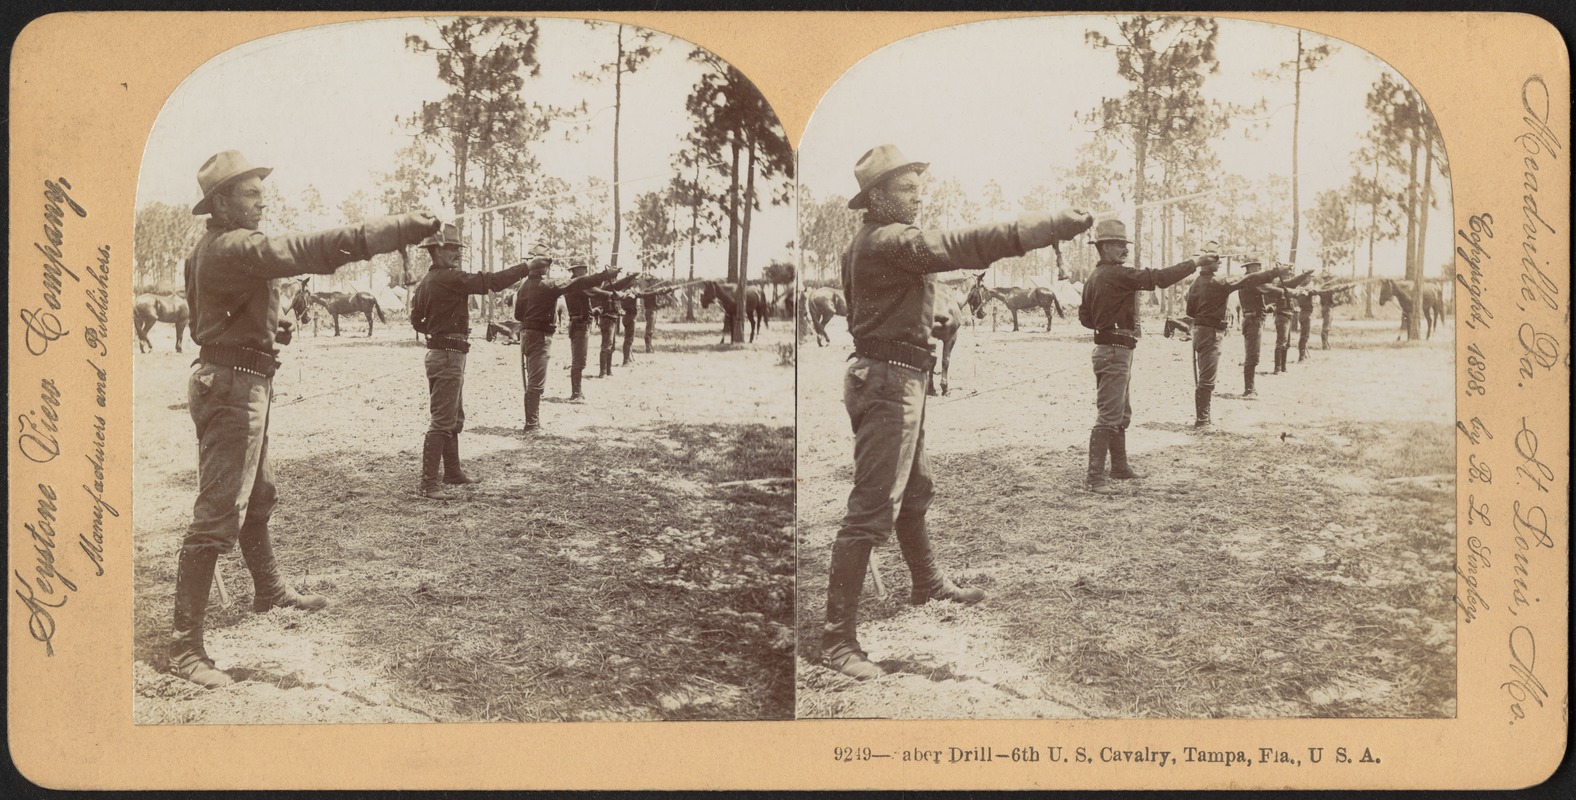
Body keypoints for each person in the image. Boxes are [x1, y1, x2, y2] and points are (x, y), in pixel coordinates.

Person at [821, 144, 1092, 680]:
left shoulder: (879, 245)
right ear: (876, 197)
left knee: (915, 490)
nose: (917, 192)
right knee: (871, 511)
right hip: (888, 383)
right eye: (905, 186)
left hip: (898, 377)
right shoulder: (888, 240)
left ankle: (927, 583)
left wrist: (930, 323)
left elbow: (885, 306)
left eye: (919, 184)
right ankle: (837, 641)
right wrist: (1046, 227)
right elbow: (963, 244)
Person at [173, 149, 440, 688]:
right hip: (232, 389)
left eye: (259, 190)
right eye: (249, 191)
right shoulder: (231, 245)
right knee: (217, 514)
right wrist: (393, 231)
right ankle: (184, 649)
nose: (261, 198)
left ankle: (268, 589)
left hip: (241, 380)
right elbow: (304, 248)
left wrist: (269, 334)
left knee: (260, 493)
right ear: (220, 203)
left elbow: (222, 318)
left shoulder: (218, 249)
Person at [1078, 219, 1215, 494]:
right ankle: (1094, 479)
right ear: (1103, 248)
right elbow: (1159, 279)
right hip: (1115, 351)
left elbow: (1085, 318)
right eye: (1118, 245)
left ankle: (1118, 467)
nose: (1124, 249)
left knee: (1120, 412)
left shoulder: (1095, 277)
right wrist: (1196, 262)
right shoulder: (1115, 274)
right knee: (1109, 415)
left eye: (1125, 245)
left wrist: (1107, 321)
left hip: (1113, 350)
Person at [408, 223, 541, 500]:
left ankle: (453, 472)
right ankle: (428, 484)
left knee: (453, 417)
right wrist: (525, 267)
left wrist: (437, 330)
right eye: (452, 248)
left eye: (459, 248)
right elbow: (489, 282)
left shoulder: (427, 283)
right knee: (443, 420)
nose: (457, 253)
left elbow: (416, 321)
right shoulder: (449, 278)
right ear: (436, 251)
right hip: (447, 355)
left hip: (444, 353)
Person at [1184, 254, 1286, 427]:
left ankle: (1203, 418)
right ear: (1208, 264)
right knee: (1208, 378)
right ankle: (1202, 421)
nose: (1220, 262)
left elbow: (1190, 311)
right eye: (1216, 260)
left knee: (1204, 375)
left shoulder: (1195, 284)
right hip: (1212, 333)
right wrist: (1275, 271)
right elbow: (1250, 279)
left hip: (1200, 332)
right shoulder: (1218, 282)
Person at [514, 251, 610, 431]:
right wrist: (605, 275)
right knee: (536, 382)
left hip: (526, 334)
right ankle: (532, 424)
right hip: (540, 336)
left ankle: (532, 422)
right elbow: (580, 283)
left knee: (532, 378)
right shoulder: (548, 285)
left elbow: (518, 315)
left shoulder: (523, 286)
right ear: (544, 268)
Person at [561, 260, 605, 401]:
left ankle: (577, 392)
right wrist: (613, 293)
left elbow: (581, 304)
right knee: (579, 361)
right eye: (584, 269)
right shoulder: (578, 285)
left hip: (578, 323)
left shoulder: (575, 285)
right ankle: (576, 394)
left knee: (579, 360)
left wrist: (593, 311)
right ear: (576, 271)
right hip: (579, 325)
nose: (586, 271)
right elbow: (599, 293)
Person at [1261, 266, 1316, 374]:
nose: (1290, 275)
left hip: (1287, 315)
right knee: (1281, 342)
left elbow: (1293, 287)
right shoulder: (1282, 284)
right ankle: (1277, 368)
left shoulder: (1285, 286)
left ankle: (1283, 367)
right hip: (1282, 316)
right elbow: (1293, 282)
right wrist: (1304, 275)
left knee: (1286, 343)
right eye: (1288, 273)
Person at [588, 267, 640, 378]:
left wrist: (625, 292)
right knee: (606, 346)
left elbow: (618, 293)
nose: (615, 280)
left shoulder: (611, 289)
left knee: (611, 347)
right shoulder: (607, 287)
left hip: (612, 319)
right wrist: (629, 277)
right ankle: (603, 372)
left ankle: (608, 370)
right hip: (607, 319)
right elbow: (617, 287)